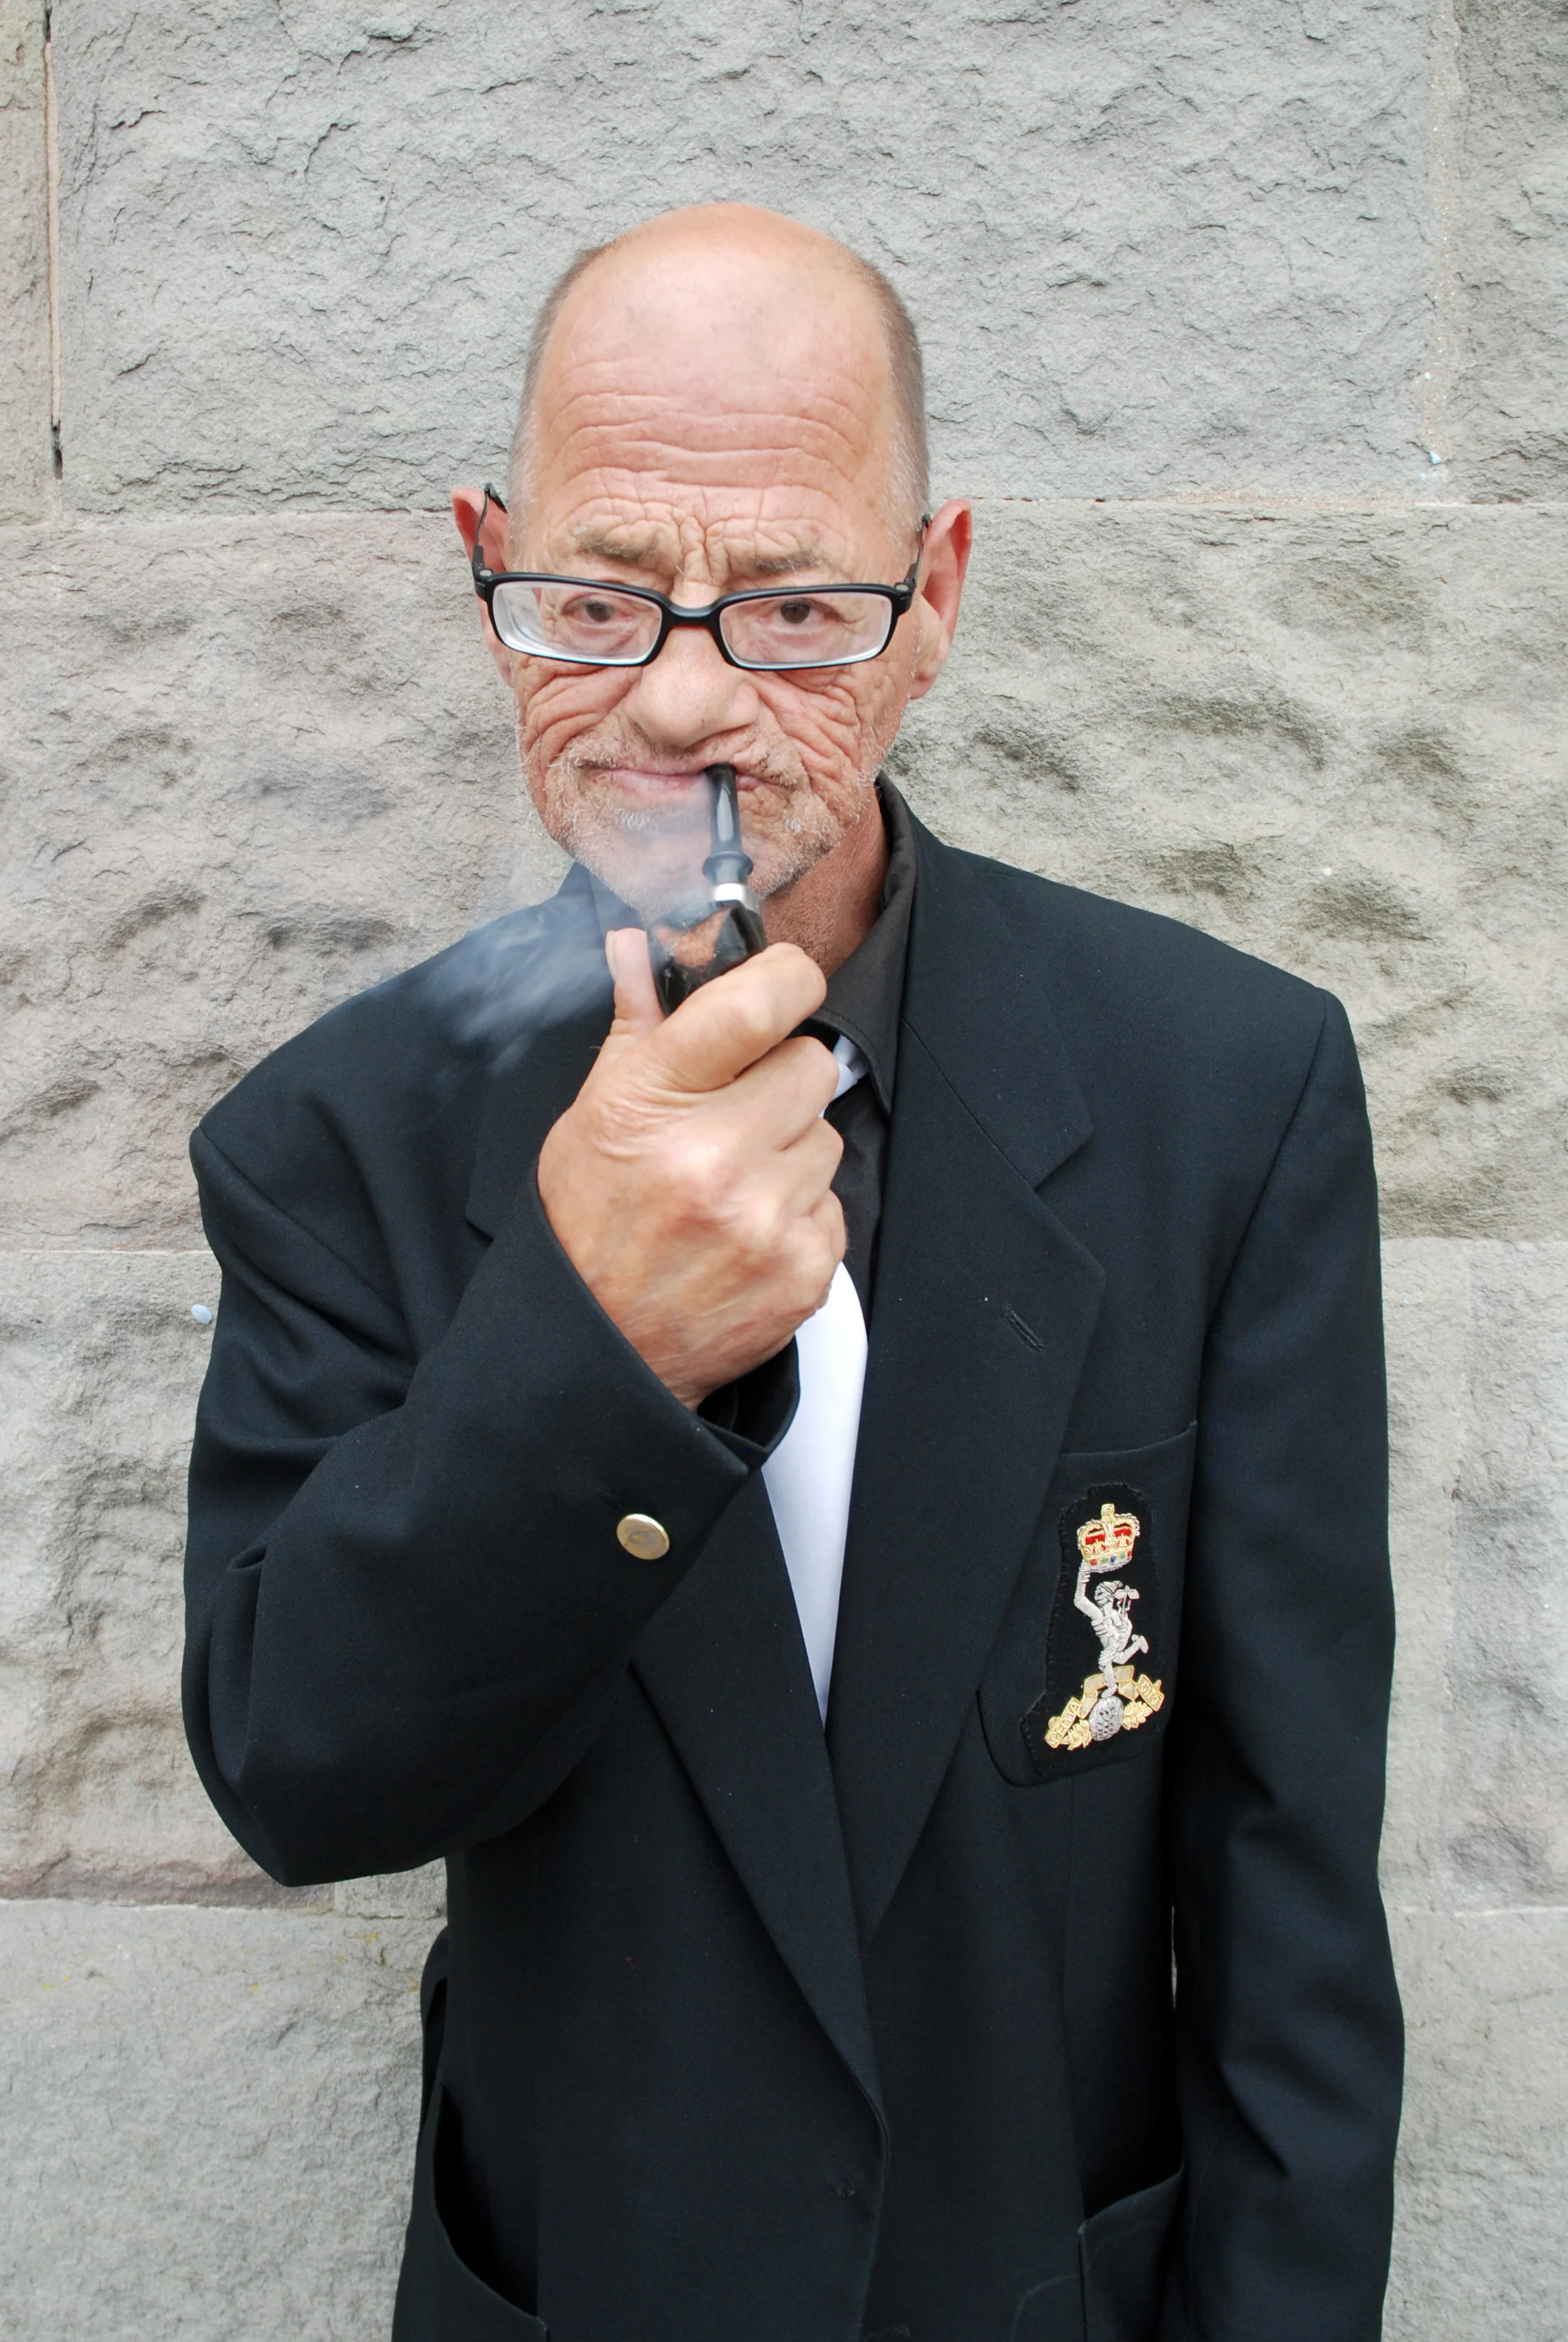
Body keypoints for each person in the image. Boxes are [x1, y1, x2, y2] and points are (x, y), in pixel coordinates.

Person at [182, 204, 1402, 2342]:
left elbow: (1292, 1896)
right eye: (597, 597)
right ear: (491, 571)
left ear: (933, 598)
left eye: (796, 609)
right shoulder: (335, 1137)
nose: (681, 698)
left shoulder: (1231, 1087)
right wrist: (597, 1350)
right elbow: (301, 1775)